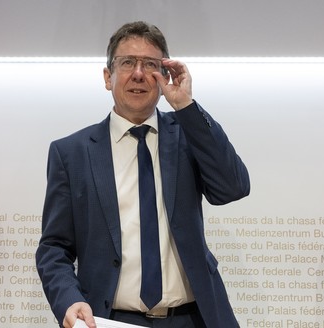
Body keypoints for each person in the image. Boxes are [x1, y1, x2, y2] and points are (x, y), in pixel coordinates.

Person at [36, 21, 250, 328]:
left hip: (192, 319)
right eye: (127, 63)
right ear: (108, 77)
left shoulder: (189, 134)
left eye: (150, 64)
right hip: (110, 320)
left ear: (164, 76)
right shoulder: (71, 152)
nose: (138, 73)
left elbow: (233, 187)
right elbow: (54, 247)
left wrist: (186, 106)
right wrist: (69, 299)